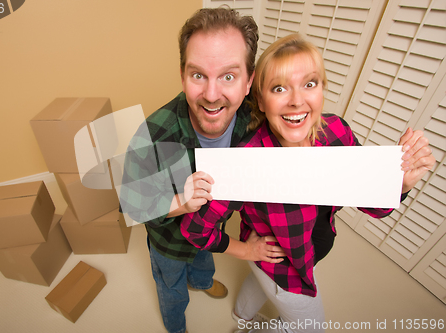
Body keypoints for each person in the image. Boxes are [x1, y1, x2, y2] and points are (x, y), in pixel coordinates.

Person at [180, 34, 436, 333]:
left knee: (259, 281)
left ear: (322, 89)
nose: (297, 100)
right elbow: (194, 229)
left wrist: (400, 183)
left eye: (309, 84)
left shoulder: (336, 132)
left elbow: (375, 207)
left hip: (308, 251)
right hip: (283, 267)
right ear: (261, 100)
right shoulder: (245, 161)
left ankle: (241, 319)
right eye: (279, 88)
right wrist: (245, 251)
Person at [120, 8, 283, 333]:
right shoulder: (153, 134)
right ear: (183, 76)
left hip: (212, 232)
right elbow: (131, 206)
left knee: (203, 262)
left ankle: (203, 281)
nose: (211, 95)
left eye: (228, 76)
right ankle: (175, 325)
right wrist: (182, 201)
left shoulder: (257, 118)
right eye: (199, 75)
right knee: (172, 287)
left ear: (249, 81)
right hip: (169, 243)